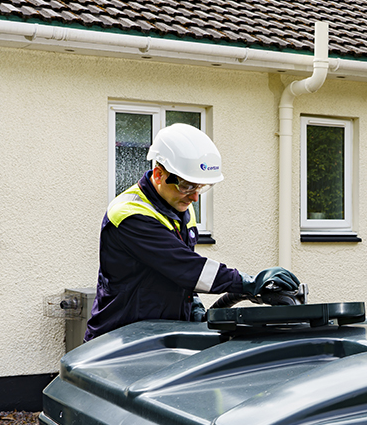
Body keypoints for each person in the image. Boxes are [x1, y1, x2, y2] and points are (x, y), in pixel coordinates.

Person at [84, 123, 299, 341]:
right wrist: (249, 283)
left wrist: (192, 304)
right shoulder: (131, 215)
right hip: (119, 340)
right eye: (187, 186)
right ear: (159, 175)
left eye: (200, 187)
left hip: (160, 335)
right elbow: (186, 267)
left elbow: (176, 274)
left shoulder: (180, 206)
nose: (194, 197)